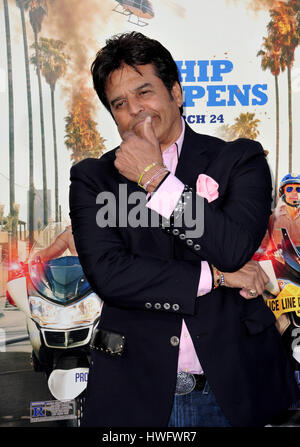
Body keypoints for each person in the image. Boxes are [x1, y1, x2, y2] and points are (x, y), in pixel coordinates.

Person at [69, 32, 299, 427]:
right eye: (120, 104)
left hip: (232, 392)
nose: (135, 110)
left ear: (176, 92)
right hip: (134, 393)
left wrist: (155, 177)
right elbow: (111, 275)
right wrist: (217, 276)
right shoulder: (94, 179)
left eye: (145, 92)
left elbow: (231, 247)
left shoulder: (238, 159)